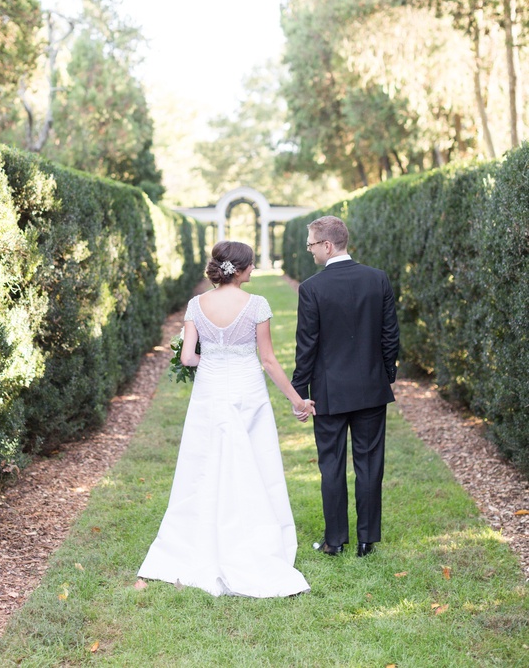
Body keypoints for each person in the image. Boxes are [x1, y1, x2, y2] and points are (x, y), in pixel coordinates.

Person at [138, 240, 315, 597]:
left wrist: (215, 361)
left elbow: (188, 357)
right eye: (251, 265)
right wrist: (298, 401)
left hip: (210, 392)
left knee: (205, 463)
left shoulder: (195, 304)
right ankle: (253, 539)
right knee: (253, 461)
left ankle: (196, 541)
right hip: (247, 391)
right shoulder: (257, 305)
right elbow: (267, 360)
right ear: (243, 269)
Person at [291, 216, 399, 557]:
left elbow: (306, 346)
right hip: (371, 388)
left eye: (310, 245)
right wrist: (384, 376)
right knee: (370, 464)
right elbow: (390, 337)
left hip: (328, 392)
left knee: (332, 465)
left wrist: (300, 394)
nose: (309, 251)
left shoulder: (312, 288)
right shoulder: (377, 279)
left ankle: (335, 540)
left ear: (327, 245)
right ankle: (366, 541)